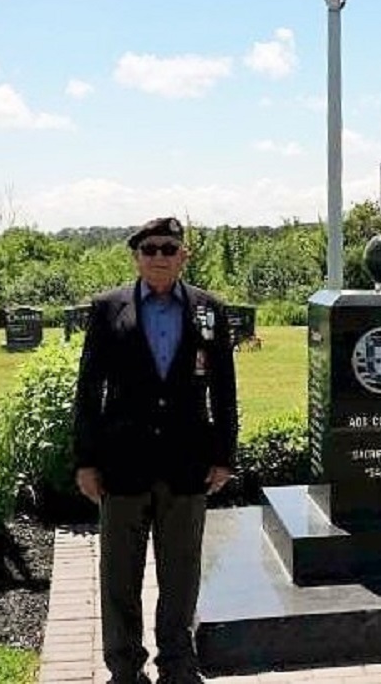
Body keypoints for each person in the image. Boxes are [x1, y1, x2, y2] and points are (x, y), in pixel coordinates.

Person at [73, 216, 238, 684]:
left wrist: (225, 456)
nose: (160, 257)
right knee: (120, 576)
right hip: (123, 464)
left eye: (169, 248)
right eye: (150, 249)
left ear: (184, 255)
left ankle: (177, 664)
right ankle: (125, 667)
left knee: (181, 575)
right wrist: (85, 461)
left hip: (188, 464)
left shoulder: (209, 310)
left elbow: (224, 388)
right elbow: (89, 388)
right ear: (136, 256)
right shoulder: (108, 309)